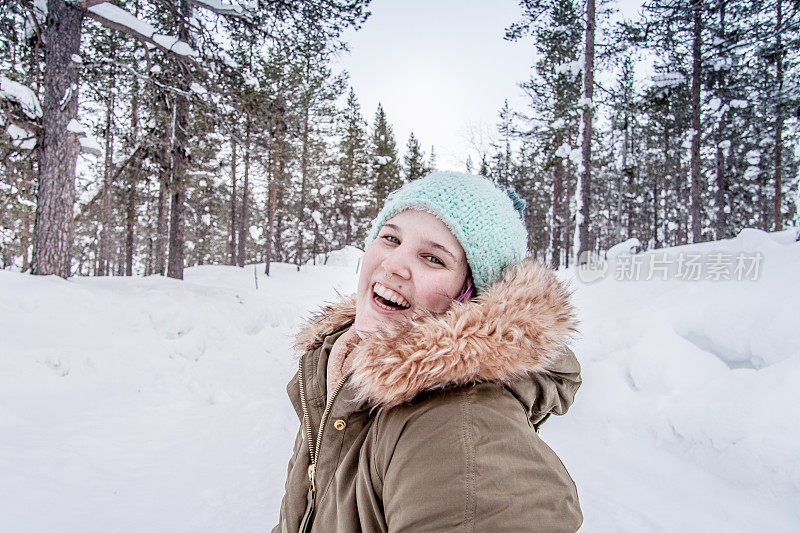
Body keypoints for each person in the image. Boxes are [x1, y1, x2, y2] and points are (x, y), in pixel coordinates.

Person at [274, 172, 583, 532]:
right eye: (390, 238)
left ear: (471, 296)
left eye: (433, 259)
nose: (393, 265)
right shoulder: (336, 367)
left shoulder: (458, 426)